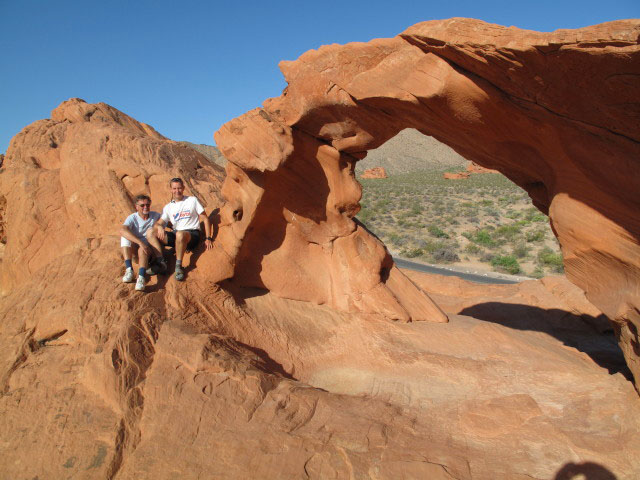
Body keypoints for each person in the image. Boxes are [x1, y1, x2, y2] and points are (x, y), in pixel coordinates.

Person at [147, 177, 213, 281]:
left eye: (179, 188)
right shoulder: (168, 207)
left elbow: (205, 218)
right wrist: (159, 227)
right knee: (150, 232)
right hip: (176, 235)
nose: (177, 191)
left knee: (180, 234)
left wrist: (208, 238)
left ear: (183, 188)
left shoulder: (192, 200)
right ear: (170, 189)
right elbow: (158, 223)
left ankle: (178, 267)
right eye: (174, 188)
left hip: (192, 235)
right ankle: (161, 262)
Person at [120, 194, 161, 292]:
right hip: (135, 250)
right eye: (142, 205)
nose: (145, 207)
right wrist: (140, 243)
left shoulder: (155, 216)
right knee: (124, 236)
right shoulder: (132, 218)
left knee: (142, 249)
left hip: (149, 252)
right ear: (136, 206)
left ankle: (141, 278)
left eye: (147, 205)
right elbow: (122, 230)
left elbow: (168, 223)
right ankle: (129, 270)